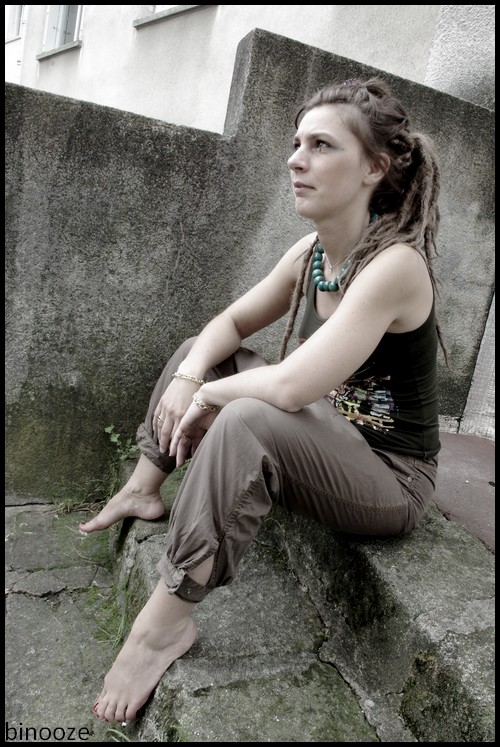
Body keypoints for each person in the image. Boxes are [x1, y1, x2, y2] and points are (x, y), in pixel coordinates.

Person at [81, 77, 445, 725]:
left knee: (246, 415)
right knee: (200, 351)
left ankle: (161, 628)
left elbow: (289, 388)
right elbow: (229, 325)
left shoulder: (395, 265)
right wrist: (194, 374)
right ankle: (143, 487)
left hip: (390, 475)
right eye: (296, 143)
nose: (295, 160)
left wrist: (208, 392)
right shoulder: (312, 253)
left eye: (321, 145)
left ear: (374, 168)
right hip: (328, 430)